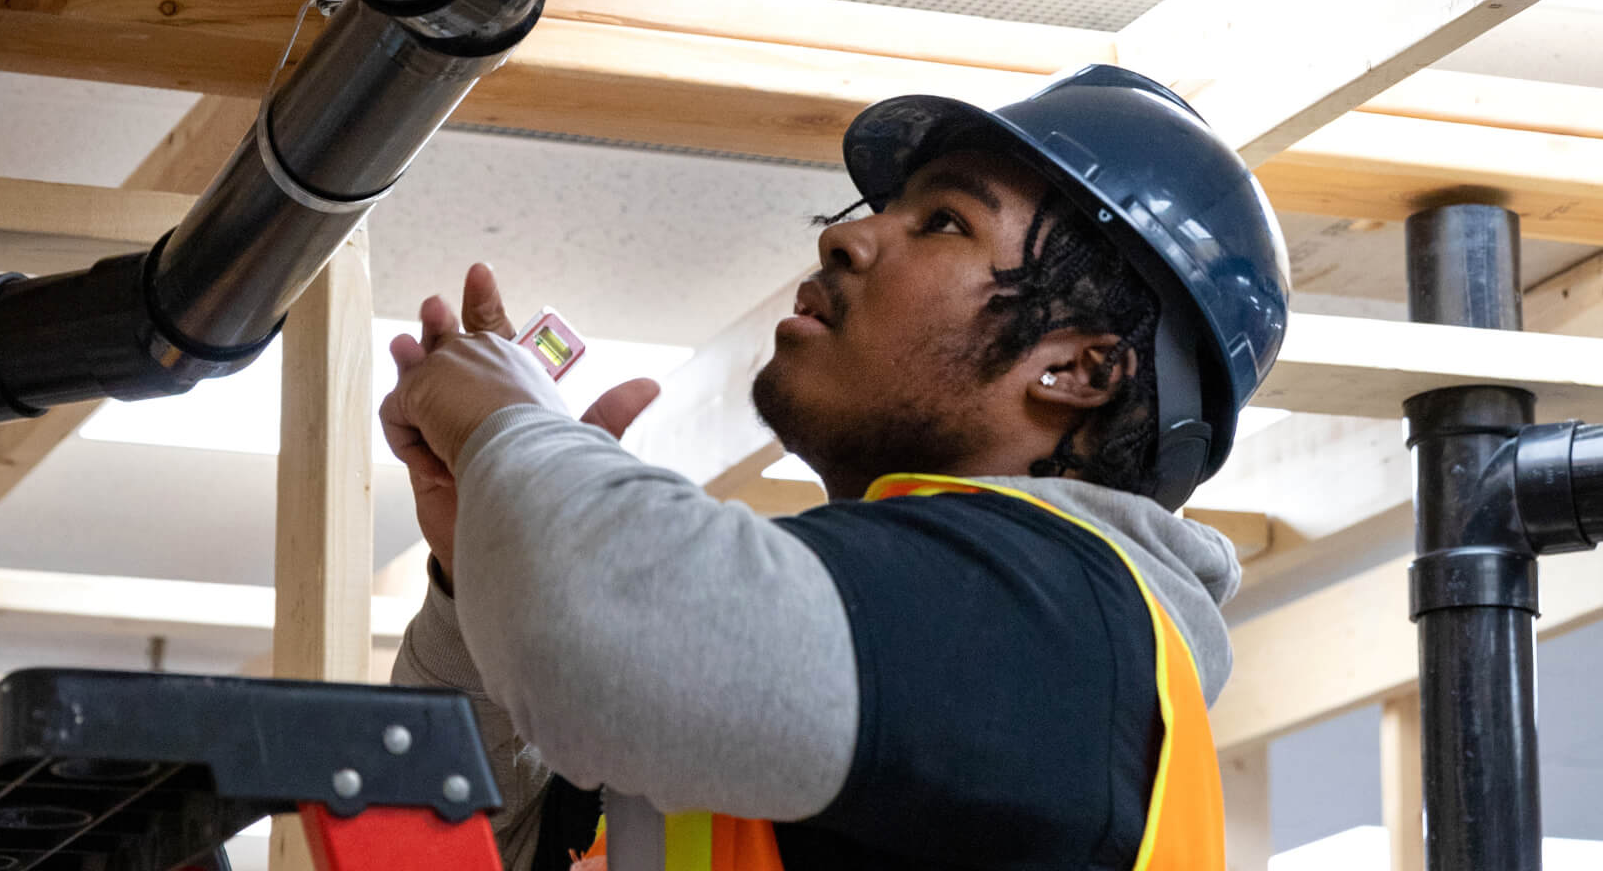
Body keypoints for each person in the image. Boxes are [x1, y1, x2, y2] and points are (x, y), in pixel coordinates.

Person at [380, 65, 1289, 871]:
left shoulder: (1060, 625)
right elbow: (426, 853)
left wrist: (510, 425)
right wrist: (478, 576)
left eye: (943, 221)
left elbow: (599, 638)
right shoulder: (835, 667)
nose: (848, 239)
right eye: (883, 210)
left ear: (1077, 371)